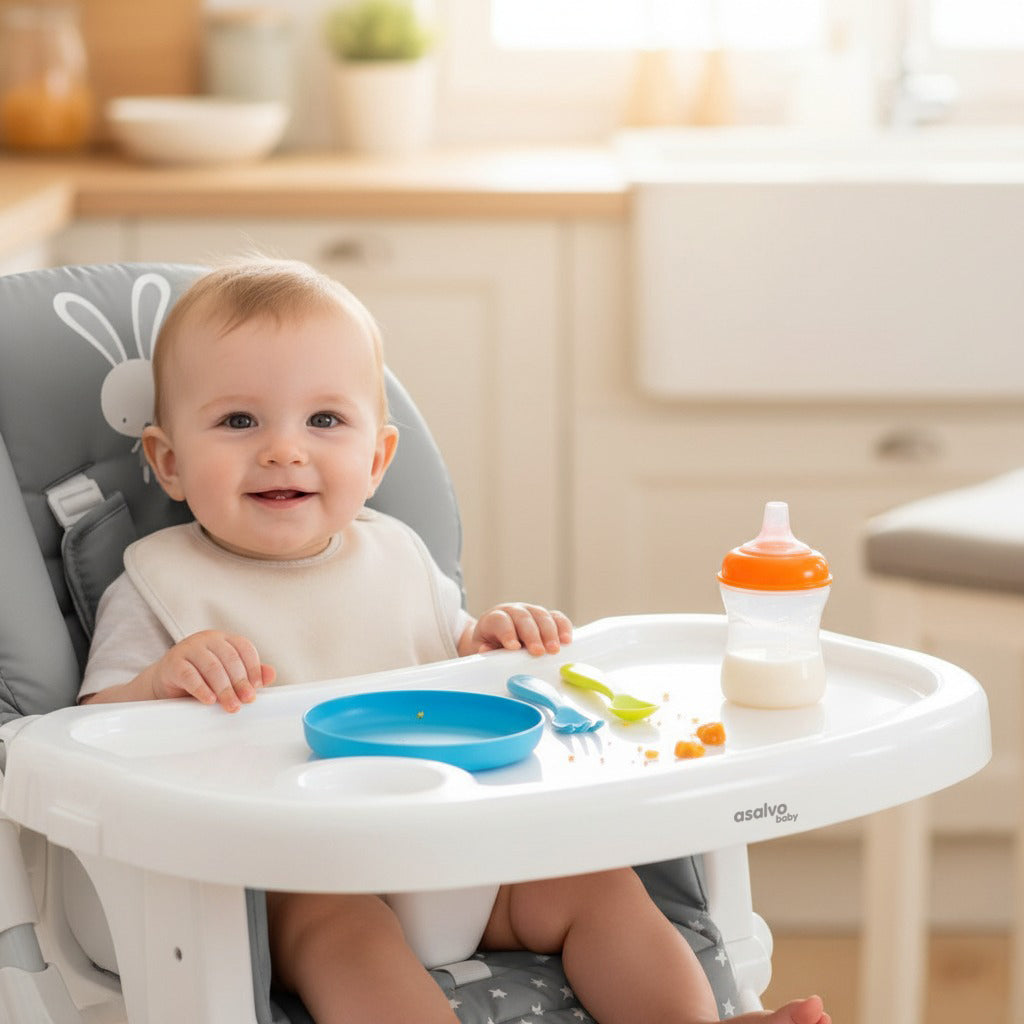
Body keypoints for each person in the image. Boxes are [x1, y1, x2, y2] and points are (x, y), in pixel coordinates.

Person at [79, 258, 829, 1024]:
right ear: (169, 463)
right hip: (300, 875)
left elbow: (455, 657)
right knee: (347, 935)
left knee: (594, 882)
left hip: (461, 847)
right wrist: (163, 681)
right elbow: (88, 734)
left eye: (325, 421)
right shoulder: (158, 587)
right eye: (240, 421)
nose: (284, 450)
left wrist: (496, 639)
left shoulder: (398, 555)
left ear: (376, 460)